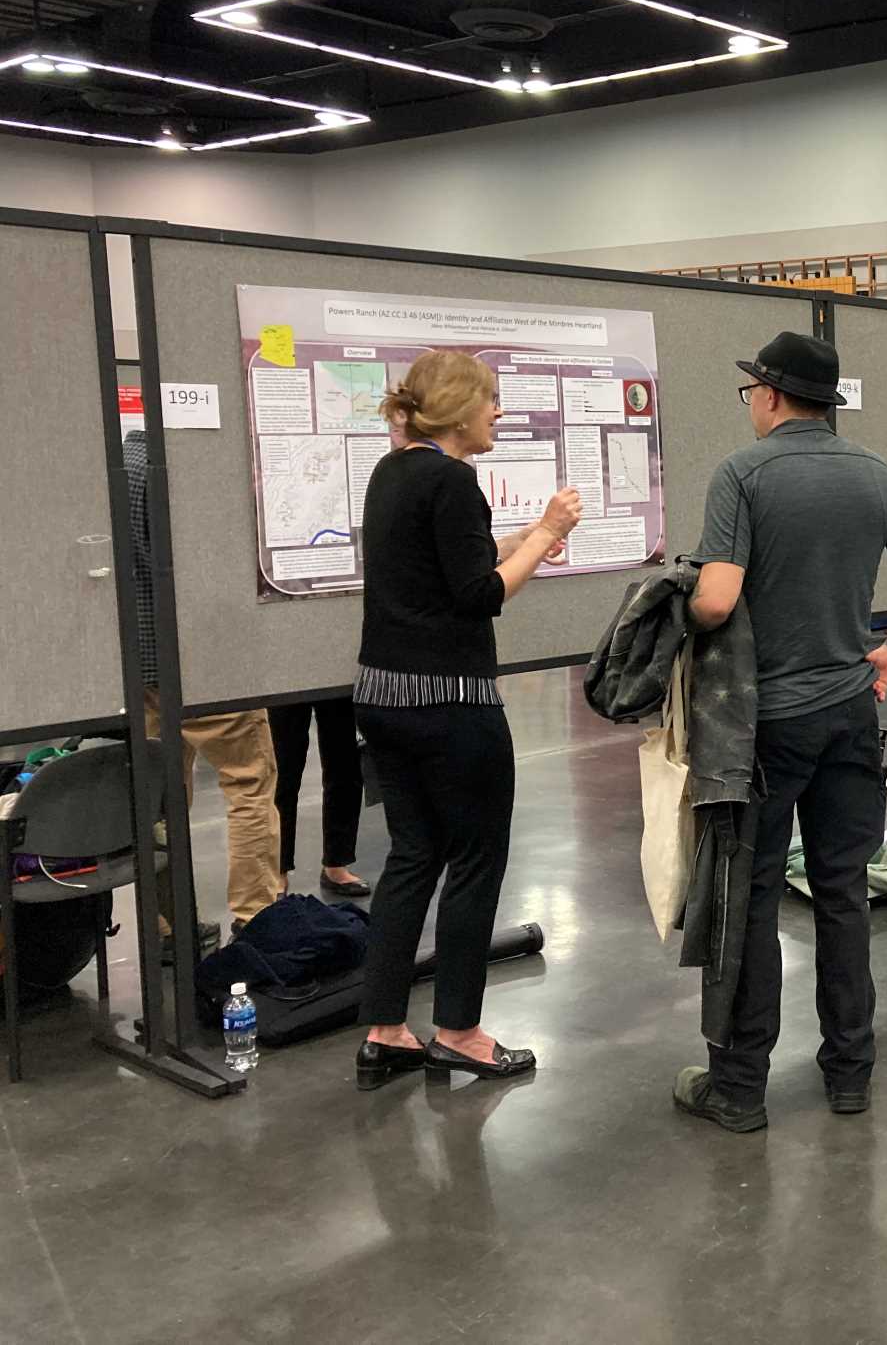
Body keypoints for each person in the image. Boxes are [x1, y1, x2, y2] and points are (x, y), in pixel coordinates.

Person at [675, 331, 887, 1133]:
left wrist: (685, 587)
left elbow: (716, 603)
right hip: (849, 712)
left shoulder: (744, 473)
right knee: (842, 895)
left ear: (768, 395)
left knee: (753, 897)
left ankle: (738, 1087)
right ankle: (849, 1072)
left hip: (766, 722)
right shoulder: (876, 475)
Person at [352, 350, 582, 1091]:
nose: (498, 412)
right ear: (457, 407)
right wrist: (545, 535)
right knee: (477, 859)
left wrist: (523, 543)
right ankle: (460, 1031)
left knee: (413, 855)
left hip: (383, 698)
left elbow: (449, 567)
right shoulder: (452, 480)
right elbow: (480, 594)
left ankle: (386, 1029)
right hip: (450, 703)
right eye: (490, 400)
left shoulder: (394, 472)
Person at [123, 429, 283, 958]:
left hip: (137, 659)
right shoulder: (191, 466)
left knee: (162, 797)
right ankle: (257, 919)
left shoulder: (120, 457)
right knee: (249, 783)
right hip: (203, 662)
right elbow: (208, 568)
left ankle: (171, 927)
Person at [268, 697, 370, 897]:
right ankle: (277, 870)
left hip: (334, 673)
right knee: (283, 772)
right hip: (284, 674)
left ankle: (336, 863)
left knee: (344, 766)